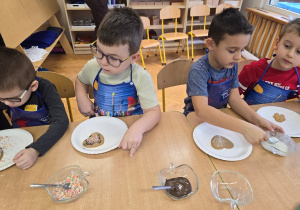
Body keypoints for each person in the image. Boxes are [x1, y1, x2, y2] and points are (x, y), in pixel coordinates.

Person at [183, 8, 284, 144]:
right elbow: (202, 111)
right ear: (211, 44)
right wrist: (244, 128)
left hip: (221, 120)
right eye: (232, 50)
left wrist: (258, 120)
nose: (238, 56)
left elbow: (235, 99)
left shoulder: (231, 64)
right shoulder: (199, 70)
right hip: (194, 121)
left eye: (242, 50)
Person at [75, 8, 161, 157]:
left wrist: (138, 129)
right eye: (99, 51)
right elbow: (80, 80)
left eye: (113, 58)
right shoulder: (92, 66)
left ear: (133, 58)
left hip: (131, 134)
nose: (103, 62)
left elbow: (153, 113)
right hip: (102, 131)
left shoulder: (140, 77)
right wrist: (81, 96)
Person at [0, 47, 69, 169]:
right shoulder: (7, 95)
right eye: (2, 99)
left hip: (48, 140)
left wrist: (35, 150)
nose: (7, 103)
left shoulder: (45, 89)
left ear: (33, 86)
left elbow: (61, 121)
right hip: (19, 142)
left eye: (13, 99)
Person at [239, 18, 300, 104]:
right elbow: (233, 97)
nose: (290, 54)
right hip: (248, 114)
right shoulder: (254, 69)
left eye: (299, 51)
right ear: (277, 43)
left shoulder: (298, 78)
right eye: (287, 46)